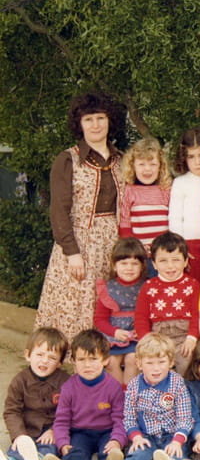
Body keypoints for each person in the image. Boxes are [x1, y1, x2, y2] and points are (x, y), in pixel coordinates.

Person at [35, 92, 126, 343]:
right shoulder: (68, 159)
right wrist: (71, 251)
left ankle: (102, 358)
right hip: (78, 242)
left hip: (112, 243)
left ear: (110, 120)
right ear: (80, 124)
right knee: (75, 302)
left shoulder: (121, 159)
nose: (95, 125)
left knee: (105, 303)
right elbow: (59, 210)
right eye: (88, 119)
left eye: (100, 118)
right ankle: (65, 359)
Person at [97, 333, 200, 460]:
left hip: (172, 434)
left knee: (176, 453)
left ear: (171, 362)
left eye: (161, 362)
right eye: (149, 363)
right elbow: (129, 418)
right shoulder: (134, 386)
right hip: (146, 435)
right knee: (138, 452)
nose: (156, 368)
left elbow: (185, 417)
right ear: (139, 364)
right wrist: (136, 437)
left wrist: (177, 441)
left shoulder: (177, 383)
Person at [42, 330, 126, 460]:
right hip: (80, 432)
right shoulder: (68, 388)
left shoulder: (113, 387)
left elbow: (120, 419)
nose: (87, 365)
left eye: (93, 359)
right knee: (76, 451)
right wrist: (63, 443)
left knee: (109, 450)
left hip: (106, 432)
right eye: (81, 359)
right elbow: (61, 420)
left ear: (105, 360)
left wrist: (117, 440)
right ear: (74, 361)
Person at [0, 328, 69, 460]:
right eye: (39, 354)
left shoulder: (66, 382)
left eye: (52, 357)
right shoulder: (20, 381)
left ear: (60, 362)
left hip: (50, 431)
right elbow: (12, 411)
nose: (44, 361)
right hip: (27, 430)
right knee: (18, 448)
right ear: (28, 355)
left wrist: (54, 430)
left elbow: (70, 411)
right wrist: (19, 435)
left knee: (49, 449)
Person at [134, 232, 200, 375]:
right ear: (154, 264)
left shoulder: (193, 285)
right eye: (163, 261)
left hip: (184, 338)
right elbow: (141, 317)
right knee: (152, 365)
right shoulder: (148, 286)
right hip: (157, 338)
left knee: (187, 363)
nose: (170, 266)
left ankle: (185, 389)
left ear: (186, 261)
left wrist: (192, 338)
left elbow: (197, 315)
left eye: (176, 260)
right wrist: (147, 340)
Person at [169, 128, 200, 284]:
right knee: (194, 285)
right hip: (190, 244)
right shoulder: (181, 182)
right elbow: (175, 218)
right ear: (184, 158)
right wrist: (180, 246)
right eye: (191, 157)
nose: (197, 162)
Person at [94, 237, 147, 385]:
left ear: (142, 266)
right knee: (110, 361)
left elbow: (151, 315)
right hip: (114, 335)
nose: (129, 268)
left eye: (134, 264)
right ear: (114, 265)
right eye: (124, 263)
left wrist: (141, 330)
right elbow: (99, 319)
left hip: (137, 336)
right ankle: (118, 394)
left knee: (133, 359)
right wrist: (115, 332)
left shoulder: (147, 286)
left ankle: (130, 394)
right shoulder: (109, 288)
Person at [118, 137, 172, 264]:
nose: (147, 169)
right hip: (139, 254)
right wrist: (133, 249)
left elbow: (173, 221)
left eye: (153, 164)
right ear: (133, 166)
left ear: (161, 166)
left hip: (164, 254)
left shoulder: (166, 189)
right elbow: (125, 223)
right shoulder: (129, 190)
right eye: (141, 164)